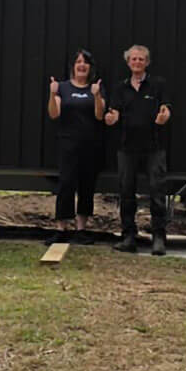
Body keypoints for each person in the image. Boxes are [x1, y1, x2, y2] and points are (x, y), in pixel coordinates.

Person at [103, 43, 172, 255]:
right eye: (133, 59)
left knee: (157, 192)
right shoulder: (120, 88)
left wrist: (164, 116)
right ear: (128, 62)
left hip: (154, 147)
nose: (137, 62)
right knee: (126, 193)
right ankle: (128, 237)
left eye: (141, 59)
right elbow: (113, 113)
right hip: (127, 148)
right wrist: (111, 118)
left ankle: (158, 238)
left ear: (147, 62)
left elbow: (166, 108)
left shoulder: (158, 85)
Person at [47, 48, 105, 239]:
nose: (82, 65)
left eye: (85, 62)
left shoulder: (96, 88)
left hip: (91, 144)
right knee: (66, 183)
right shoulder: (62, 88)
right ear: (73, 66)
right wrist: (52, 94)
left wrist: (97, 95)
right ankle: (61, 228)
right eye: (78, 62)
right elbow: (54, 114)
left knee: (87, 185)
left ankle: (81, 229)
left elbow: (99, 115)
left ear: (90, 67)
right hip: (68, 143)